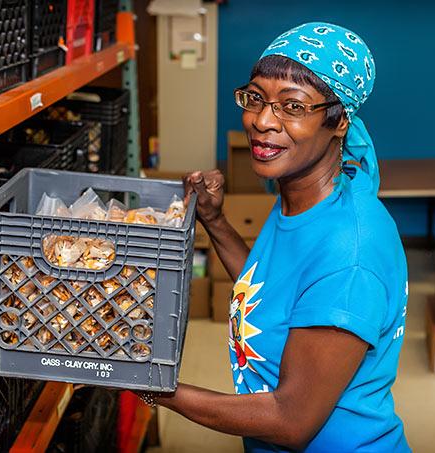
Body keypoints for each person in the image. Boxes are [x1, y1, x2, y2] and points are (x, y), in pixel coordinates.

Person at [138, 22, 411, 452]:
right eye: (256, 98)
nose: (262, 121)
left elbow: (290, 420)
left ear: (338, 121)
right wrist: (215, 220)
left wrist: (150, 385)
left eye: (293, 106)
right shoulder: (303, 197)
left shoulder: (351, 253)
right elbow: (273, 290)